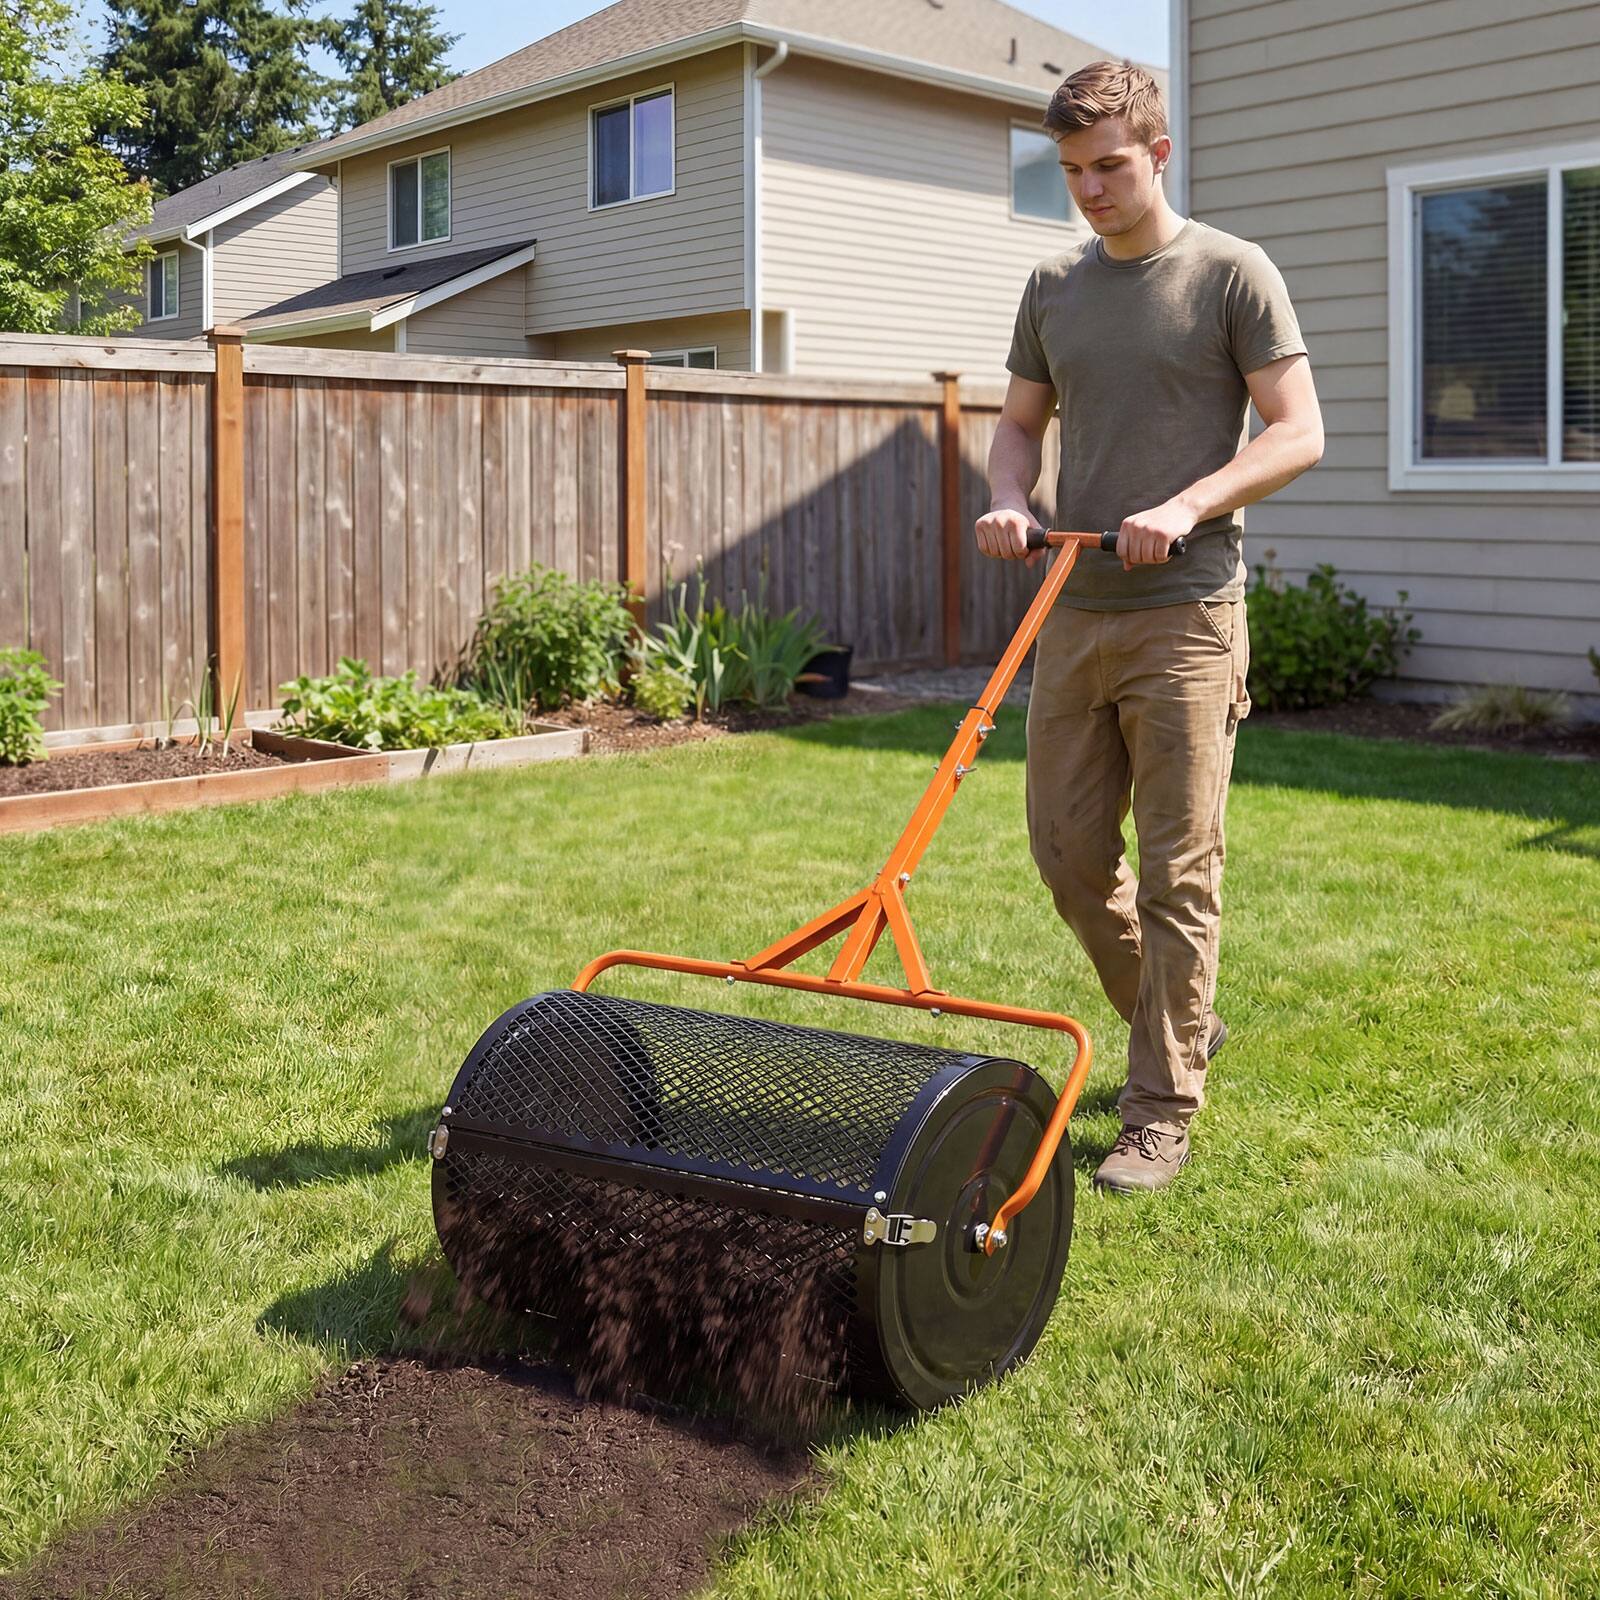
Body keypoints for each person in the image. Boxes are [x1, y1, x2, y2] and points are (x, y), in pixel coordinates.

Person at [975, 60, 1323, 1194]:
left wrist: (1185, 506)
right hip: (1074, 609)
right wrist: (1011, 497)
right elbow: (1017, 427)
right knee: (1068, 856)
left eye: (1109, 166)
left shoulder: (1230, 273)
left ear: (1158, 155)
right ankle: (1180, 1021)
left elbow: (1297, 431)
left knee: (1180, 870)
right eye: (1071, 170)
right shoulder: (1052, 286)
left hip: (1186, 615)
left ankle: (1160, 1109)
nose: (1089, 189)